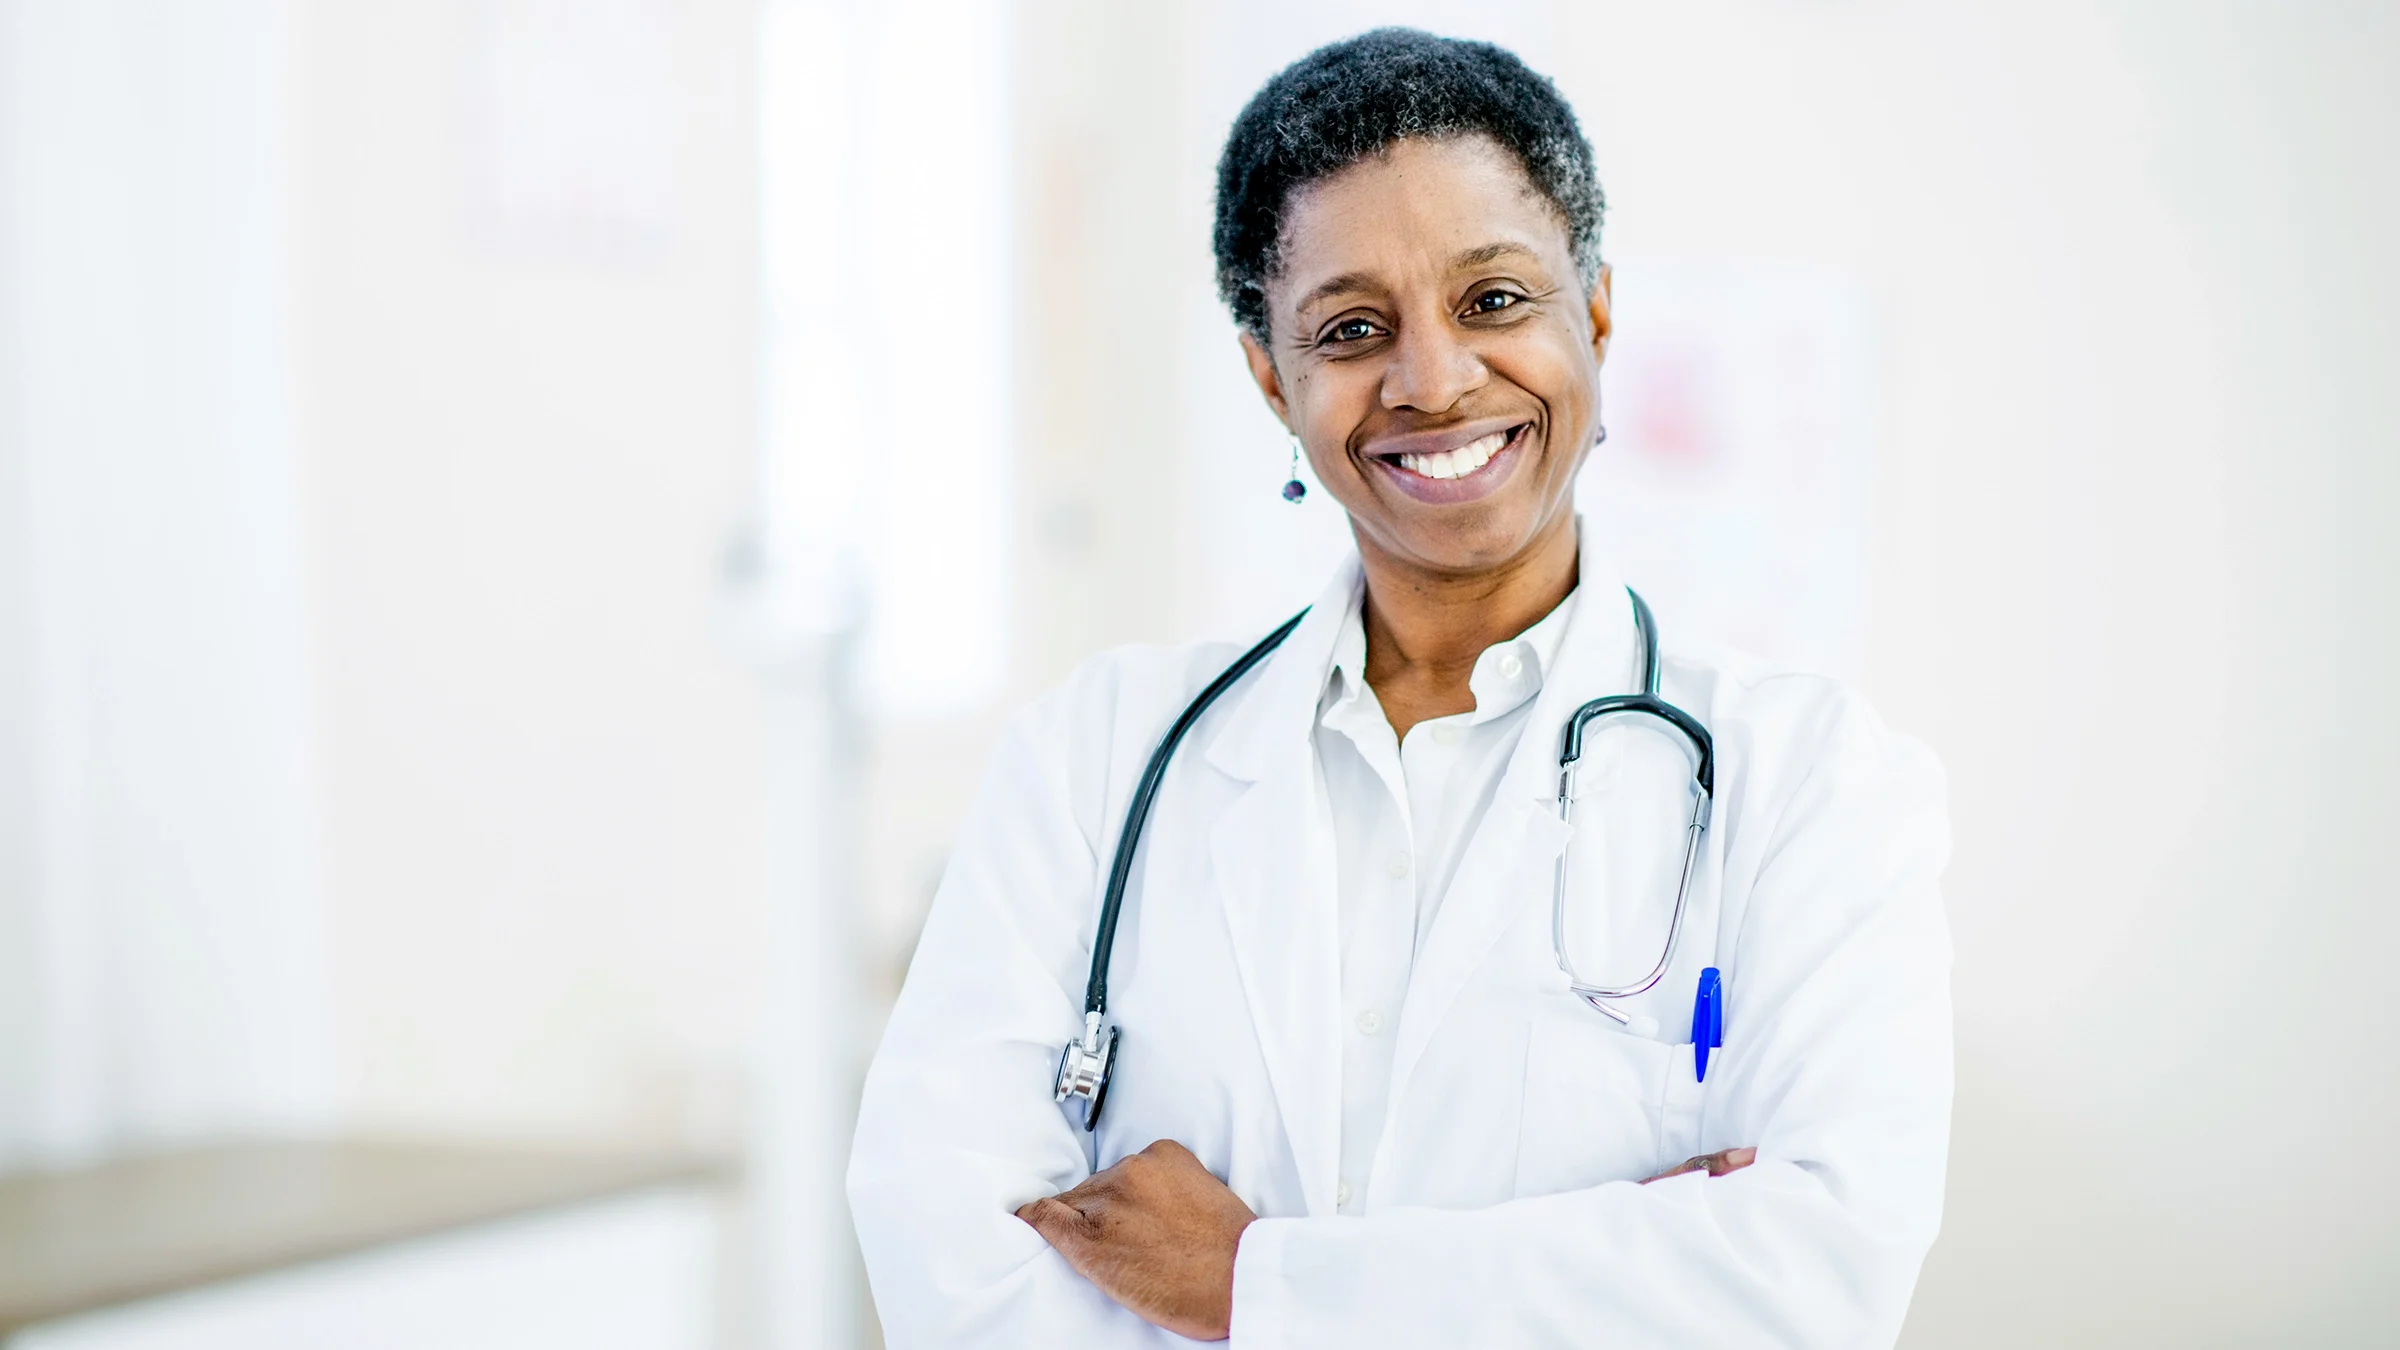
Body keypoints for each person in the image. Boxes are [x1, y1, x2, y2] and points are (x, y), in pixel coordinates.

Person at [848, 28, 1951, 1347]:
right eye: (1353, 327)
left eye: (1493, 300)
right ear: (1273, 376)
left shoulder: (1812, 780)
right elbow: (947, 1248)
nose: (1433, 379)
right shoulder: (1094, 760)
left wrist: (1247, 1281)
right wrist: (1606, 1272)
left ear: (1594, 310)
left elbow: (1810, 1280)